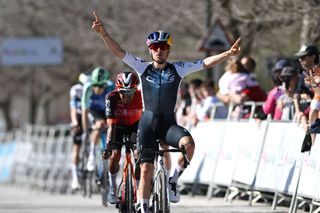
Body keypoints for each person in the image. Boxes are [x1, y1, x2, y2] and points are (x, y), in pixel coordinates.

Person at [92, 11, 240, 213]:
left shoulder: (178, 69)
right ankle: (143, 207)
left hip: (169, 124)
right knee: (145, 169)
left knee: (188, 145)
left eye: (162, 47)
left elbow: (205, 63)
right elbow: (119, 51)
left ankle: (173, 181)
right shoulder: (142, 67)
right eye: (154, 48)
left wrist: (227, 54)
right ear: (150, 50)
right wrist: (103, 33)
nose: (158, 51)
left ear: (168, 50)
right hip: (146, 124)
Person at [103, 71, 143, 204]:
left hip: (135, 125)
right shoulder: (111, 97)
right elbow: (111, 125)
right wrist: (108, 146)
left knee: (138, 154)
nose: (125, 96)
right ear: (117, 89)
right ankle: (113, 186)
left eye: (129, 92)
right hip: (117, 126)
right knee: (115, 155)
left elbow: (146, 120)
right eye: (122, 92)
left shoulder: (141, 96)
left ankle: (138, 187)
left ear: (135, 89)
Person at [81, 67, 115, 171]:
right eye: (95, 85)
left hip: (106, 109)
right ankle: (91, 155)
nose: (98, 89)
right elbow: (84, 111)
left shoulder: (110, 87)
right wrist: (85, 130)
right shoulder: (88, 88)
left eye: (101, 86)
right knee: (99, 125)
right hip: (93, 110)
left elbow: (115, 108)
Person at [295, 44, 320, 144]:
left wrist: (313, 84)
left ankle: (313, 143)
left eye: (303, 57)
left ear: (313, 57)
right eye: (299, 58)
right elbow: (296, 94)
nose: (300, 60)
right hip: (312, 111)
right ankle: (312, 143)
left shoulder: (318, 72)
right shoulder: (304, 75)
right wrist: (297, 111)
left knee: (314, 106)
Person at [69, 73, 90, 190]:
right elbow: (72, 107)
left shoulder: (93, 87)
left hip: (90, 115)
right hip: (78, 116)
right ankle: (75, 178)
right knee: (76, 148)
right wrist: (74, 122)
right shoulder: (76, 89)